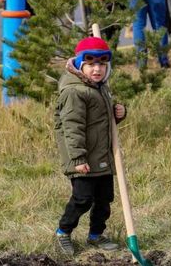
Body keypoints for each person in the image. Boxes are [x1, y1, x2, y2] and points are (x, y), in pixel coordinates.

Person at [54, 36, 126, 256]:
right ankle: (63, 232)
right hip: (82, 157)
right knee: (83, 198)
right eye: (91, 64)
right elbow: (72, 127)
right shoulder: (74, 91)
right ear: (79, 64)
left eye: (102, 65)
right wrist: (78, 159)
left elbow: (101, 120)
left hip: (102, 155)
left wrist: (118, 114)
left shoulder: (99, 87)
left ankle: (96, 234)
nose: (97, 69)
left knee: (104, 199)